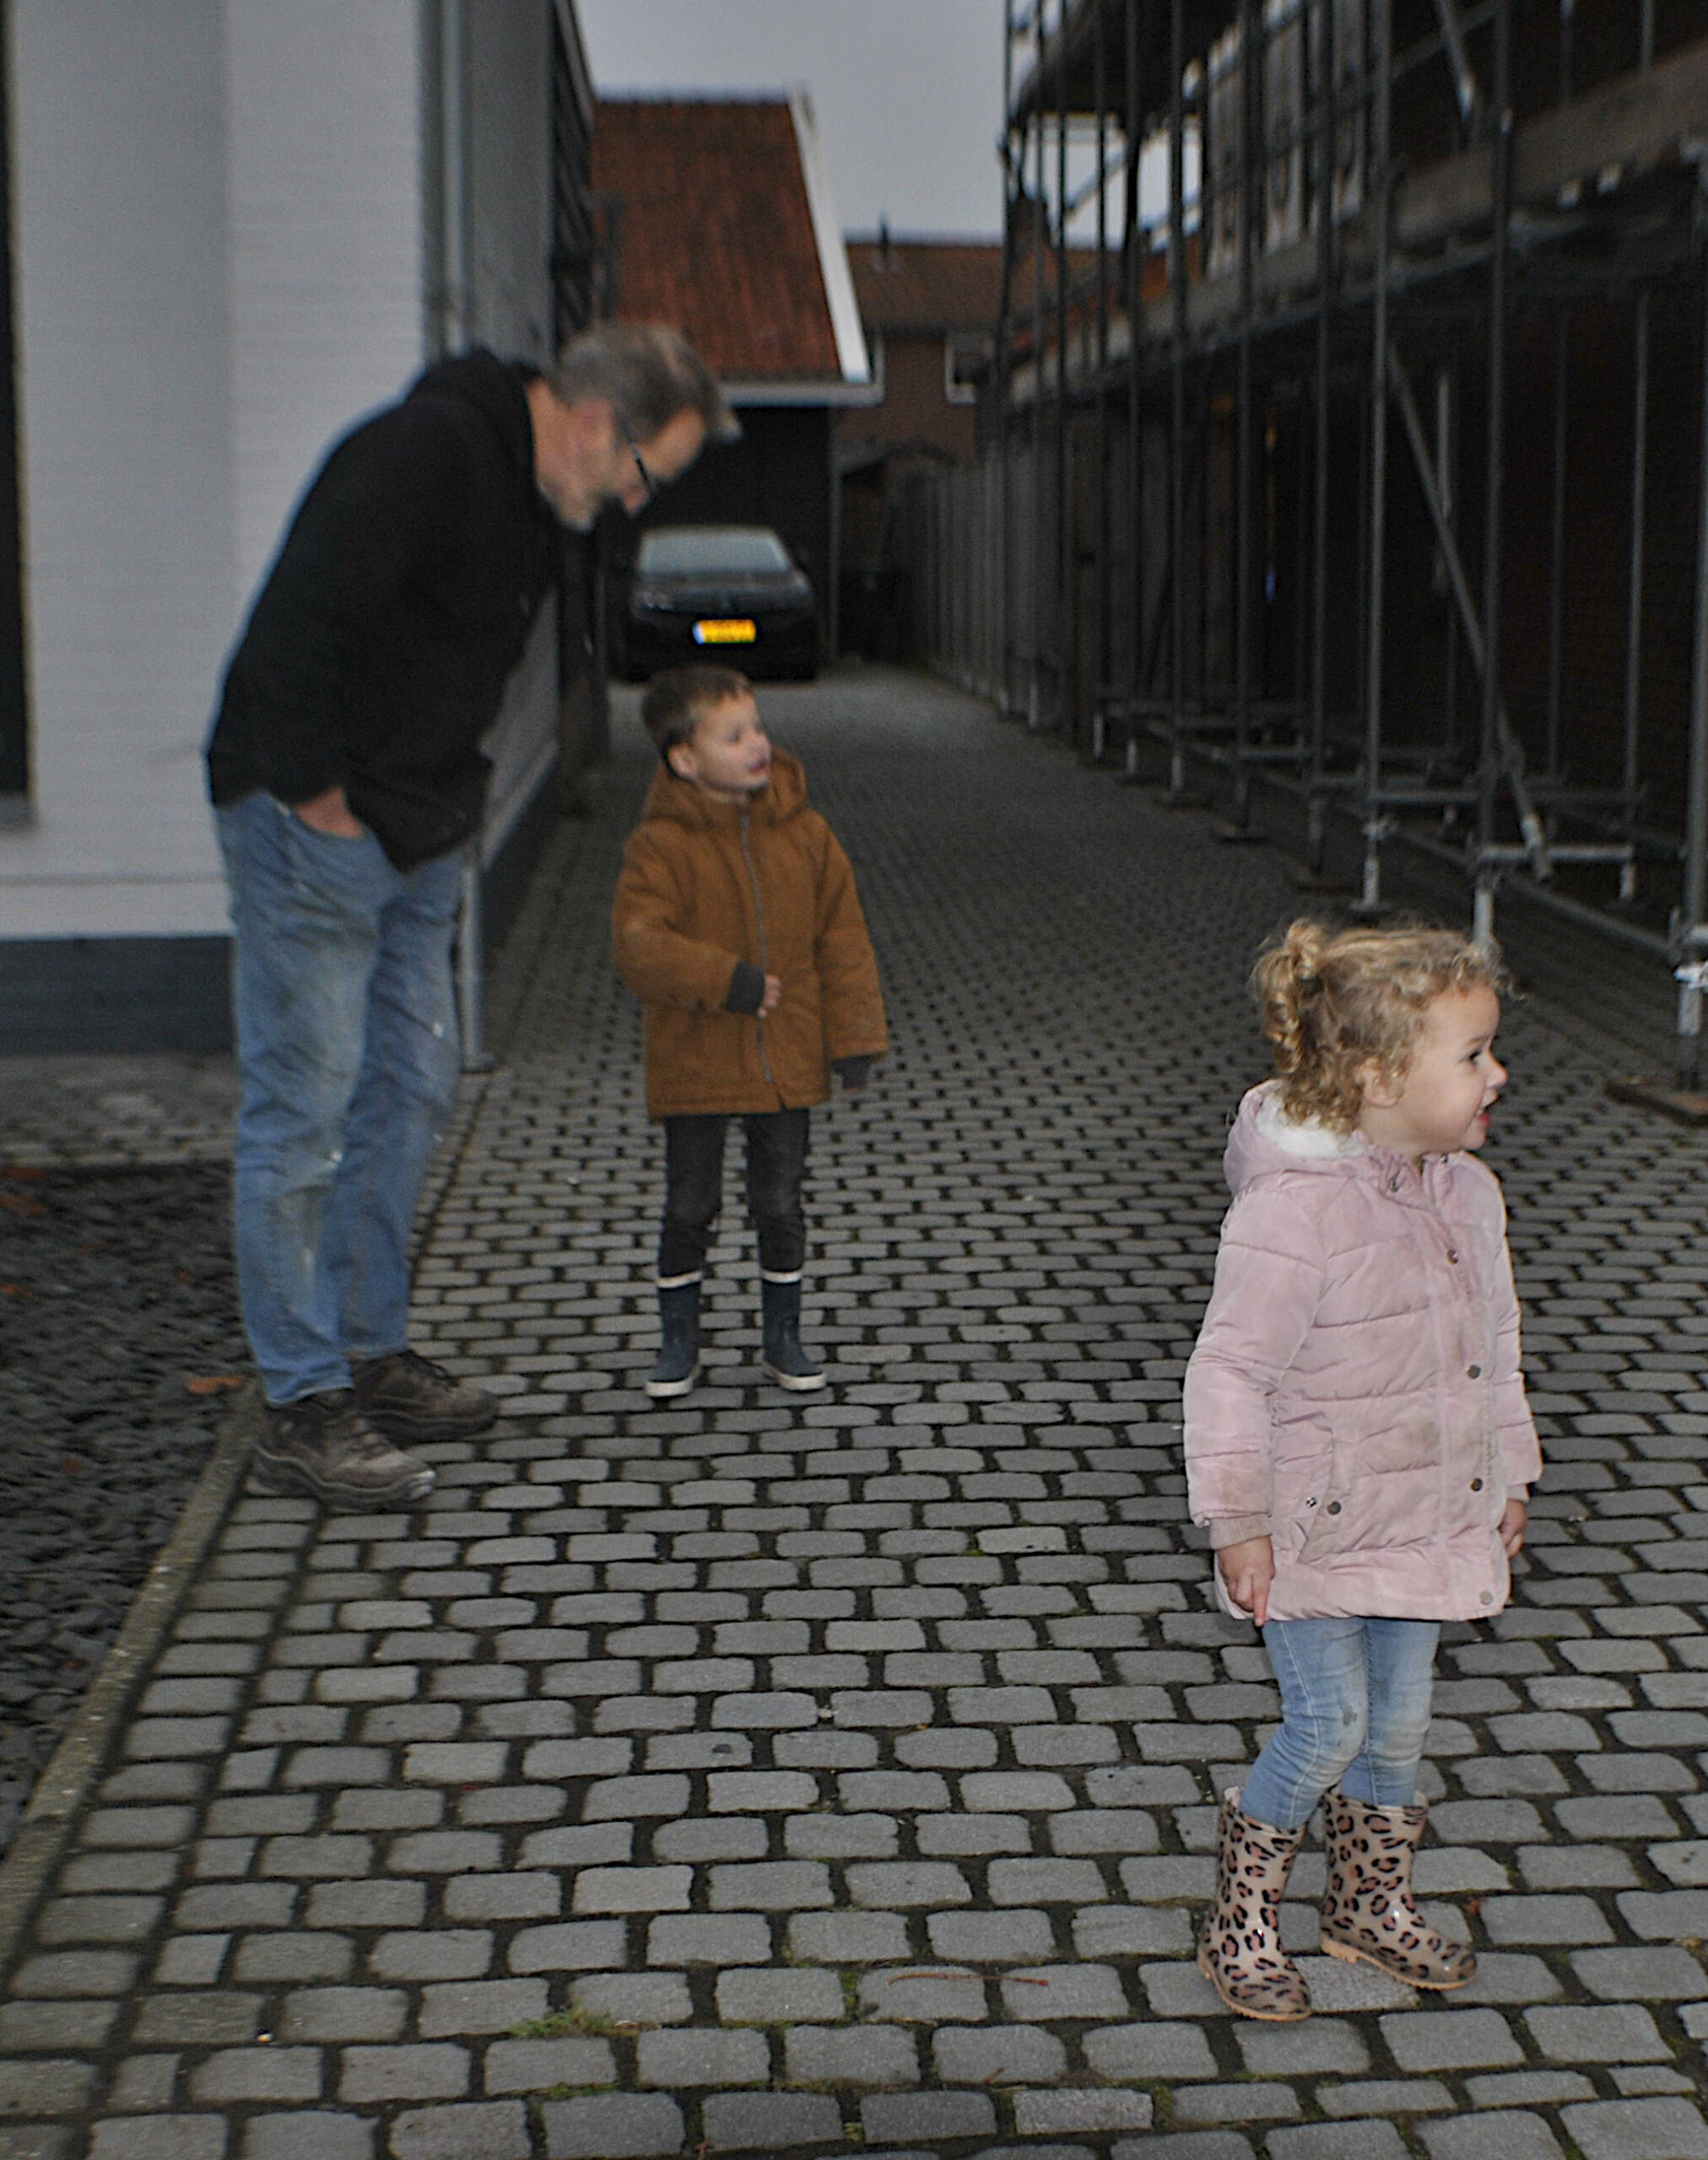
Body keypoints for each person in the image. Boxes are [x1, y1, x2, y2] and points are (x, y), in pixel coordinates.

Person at [207, 324, 734, 1509]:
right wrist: (320, 801)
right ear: (593, 423)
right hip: (316, 822)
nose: (636, 501)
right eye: (644, 472)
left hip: (420, 826)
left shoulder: (534, 503)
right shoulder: (426, 452)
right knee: (306, 1104)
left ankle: (368, 1352)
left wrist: (444, 806)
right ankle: (300, 1405)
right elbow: (294, 629)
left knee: (410, 1083)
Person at [1182, 919, 1541, 2023]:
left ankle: (1367, 1904)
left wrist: (1510, 1474)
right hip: (1314, 1526)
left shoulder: (1467, 1195)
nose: (1497, 1072)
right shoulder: (1291, 1211)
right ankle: (1241, 1916)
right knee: (1328, 1724)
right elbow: (1229, 1371)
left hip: (1424, 1514)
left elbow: (1494, 1347)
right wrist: (1238, 1518)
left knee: (1397, 1728)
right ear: (1380, 1078)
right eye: (1471, 1054)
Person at [611, 666, 888, 1397]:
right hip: (696, 1058)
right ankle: (678, 1340)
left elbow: (843, 939)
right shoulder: (658, 847)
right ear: (684, 759)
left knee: (780, 1201)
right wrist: (726, 980)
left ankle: (783, 1335)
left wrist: (854, 1038)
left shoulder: (807, 835)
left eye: (758, 728)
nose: (757, 745)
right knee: (689, 1204)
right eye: (733, 736)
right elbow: (638, 943)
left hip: (786, 1058)